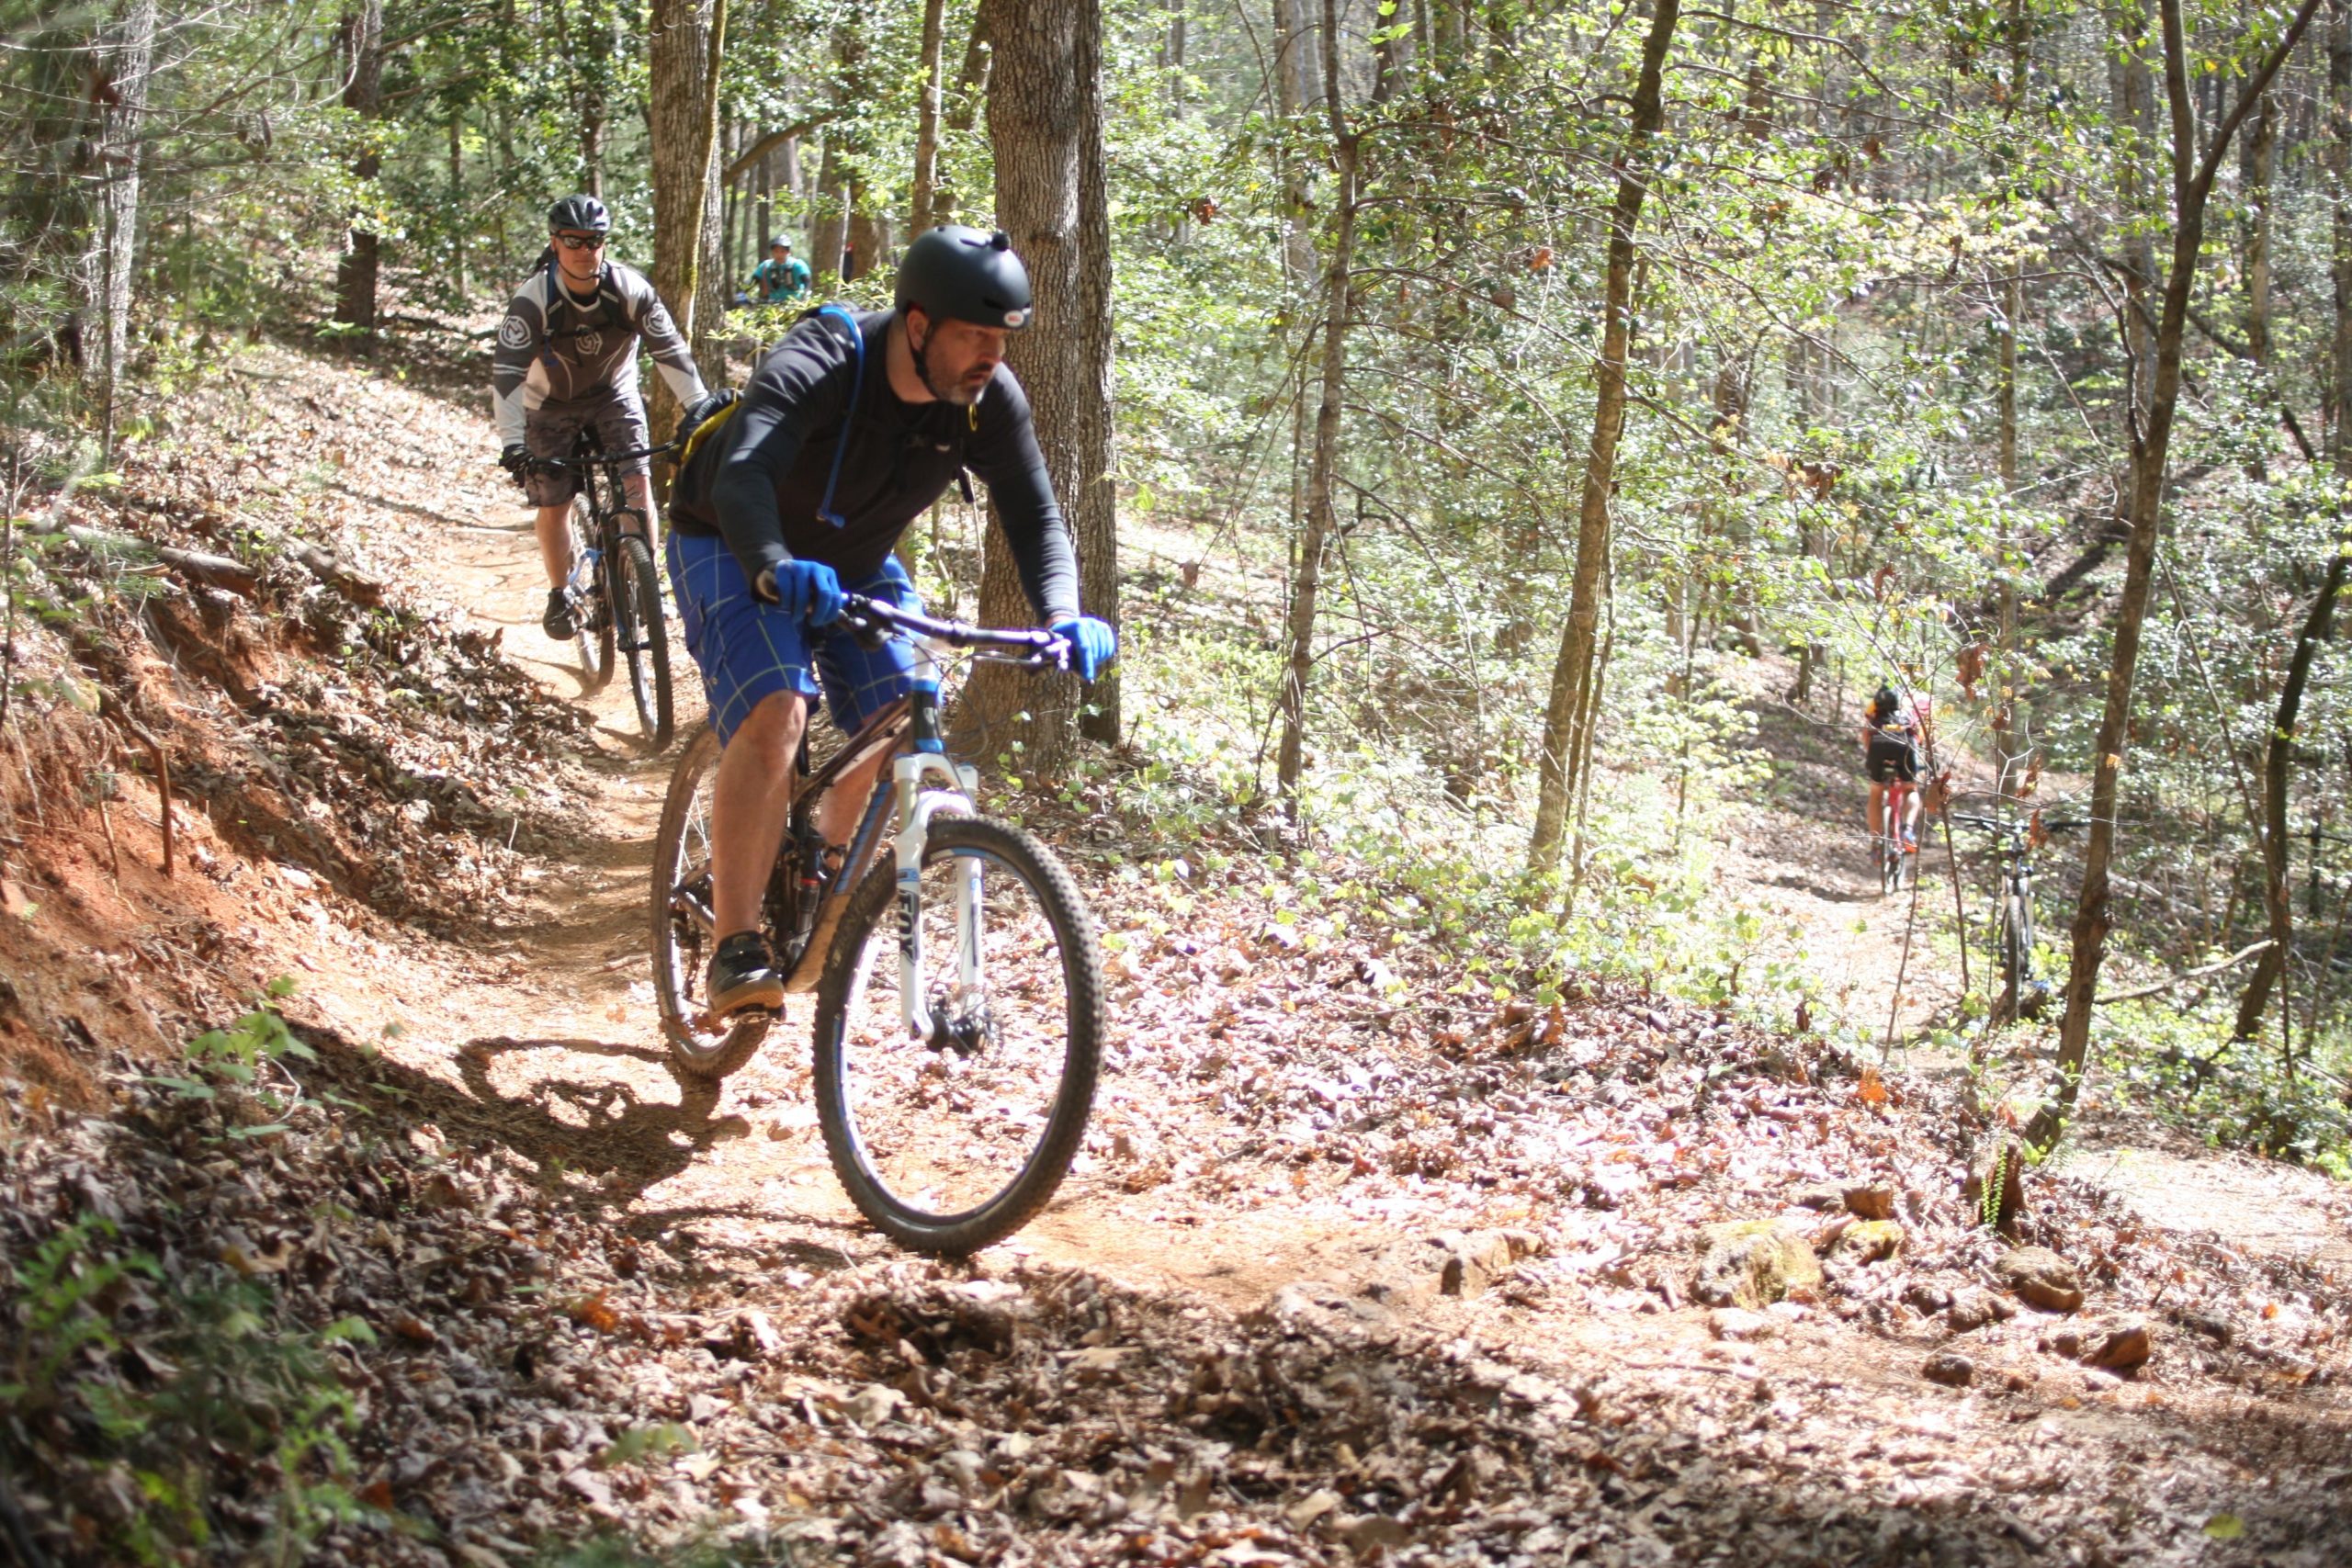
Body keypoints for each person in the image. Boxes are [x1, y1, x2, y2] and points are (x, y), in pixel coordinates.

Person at [665, 224, 1116, 1020]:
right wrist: (771, 560)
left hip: (856, 561)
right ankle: (735, 942)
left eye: (1002, 339)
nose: (991, 356)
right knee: (777, 710)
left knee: (906, 711)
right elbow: (745, 470)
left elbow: (1037, 516)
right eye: (974, 335)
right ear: (917, 325)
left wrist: (1064, 612)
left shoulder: (985, 403)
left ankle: (823, 876)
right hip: (732, 541)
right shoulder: (825, 360)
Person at [491, 195, 728, 640]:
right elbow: (506, 377)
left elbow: (671, 353)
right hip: (549, 405)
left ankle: (645, 585)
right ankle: (560, 591)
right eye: (573, 241)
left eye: (594, 241)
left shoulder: (629, 290)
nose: (584, 250)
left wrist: (698, 410)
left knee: (637, 483)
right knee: (554, 501)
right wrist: (513, 443)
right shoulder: (533, 300)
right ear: (555, 243)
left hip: (612, 396)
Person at [1861, 684, 1934, 851]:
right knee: (1910, 789)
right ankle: (1907, 831)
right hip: (1906, 748)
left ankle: (1875, 841)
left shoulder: (1877, 707)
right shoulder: (1918, 704)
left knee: (1876, 791)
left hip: (1878, 747)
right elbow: (1923, 737)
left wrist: (1871, 756)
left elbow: (1866, 735)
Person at [748, 238, 811, 306]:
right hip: (773, 305)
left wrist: (806, 296)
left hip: (795, 304)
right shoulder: (765, 266)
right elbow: (753, 282)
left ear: (788, 252)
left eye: (782, 251)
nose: (779, 254)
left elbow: (807, 282)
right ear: (772, 252)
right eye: (776, 251)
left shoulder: (798, 265)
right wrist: (742, 294)